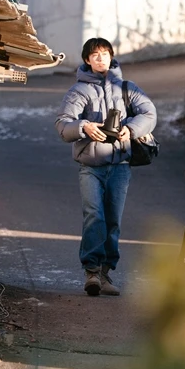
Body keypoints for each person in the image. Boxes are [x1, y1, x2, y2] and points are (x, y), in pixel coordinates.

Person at [55, 37, 156, 297]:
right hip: (90, 166)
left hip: (121, 165)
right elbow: (63, 124)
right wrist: (83, 127)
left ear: (112, 57)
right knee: (94, 215)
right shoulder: (79, 91)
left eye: (105, 54)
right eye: (95, 55)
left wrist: (129, 129)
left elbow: (149, 113)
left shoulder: (127, 88)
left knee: (113, 220)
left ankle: (105, 273)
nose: (101, 59)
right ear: (87, 59)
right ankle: (91, 271)